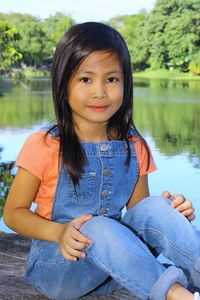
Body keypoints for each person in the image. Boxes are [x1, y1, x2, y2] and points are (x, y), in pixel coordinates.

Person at [3, 22, 200, 300]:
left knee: (157, 206)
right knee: (96, 226)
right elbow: (13, 213)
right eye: (86, 79)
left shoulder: (134, 144)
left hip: (118, 266)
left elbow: (140, 213)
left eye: (111, 79)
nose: (100, 92)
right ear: (63, 82)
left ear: (125, 82)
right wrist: (59, 233)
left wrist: (172, 212)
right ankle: (175, 294)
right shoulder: (46, 144)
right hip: (62, 266)